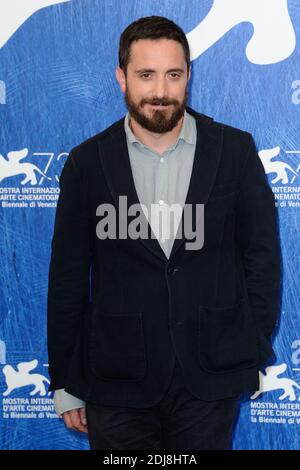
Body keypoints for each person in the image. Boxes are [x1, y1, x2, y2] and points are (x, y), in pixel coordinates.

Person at [47, 15, 281, 450]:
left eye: (173, 74)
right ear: (122, 78)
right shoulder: (86, 164)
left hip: (210, 378)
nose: (160, 91)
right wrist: (65, 380)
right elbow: (67, 281)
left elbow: (262, 261)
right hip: (116, 381)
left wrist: (246, 348)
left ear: (189, 75)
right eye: (145, 75)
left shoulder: (234, 151)